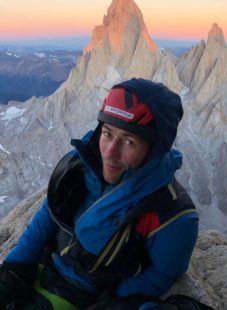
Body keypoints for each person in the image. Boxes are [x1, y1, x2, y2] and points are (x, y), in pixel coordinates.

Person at [0, 78, 199, 309]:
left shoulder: (171, 214)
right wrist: (15, 267)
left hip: (83, 296)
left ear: (155, 149)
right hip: (43, 268)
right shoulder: (82, 166)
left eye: (129, 141)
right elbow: (49, 214)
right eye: (107, 133)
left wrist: (114, 299)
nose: (110, 153)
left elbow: (163, 273)